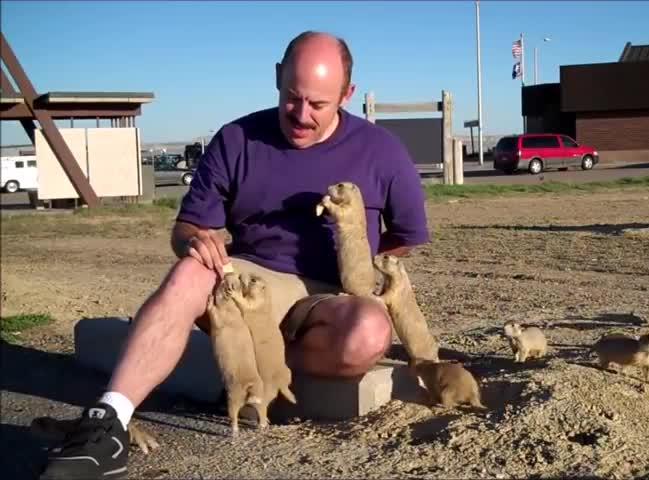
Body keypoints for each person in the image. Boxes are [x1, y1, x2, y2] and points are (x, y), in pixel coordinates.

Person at [39, 30, 430, 480]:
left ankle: (242, 358)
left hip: (329, 296)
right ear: (277, 77)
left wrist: (357, 272)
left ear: (347, 94)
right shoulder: (236, 139)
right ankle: (108, 423)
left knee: (368, 333)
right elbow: (187, 228)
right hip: (247, 279)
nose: (301, 115)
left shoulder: (383, 151)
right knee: (190, 271)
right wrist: (193, 242)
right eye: (291, 98)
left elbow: (405, 236)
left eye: (318, 105)